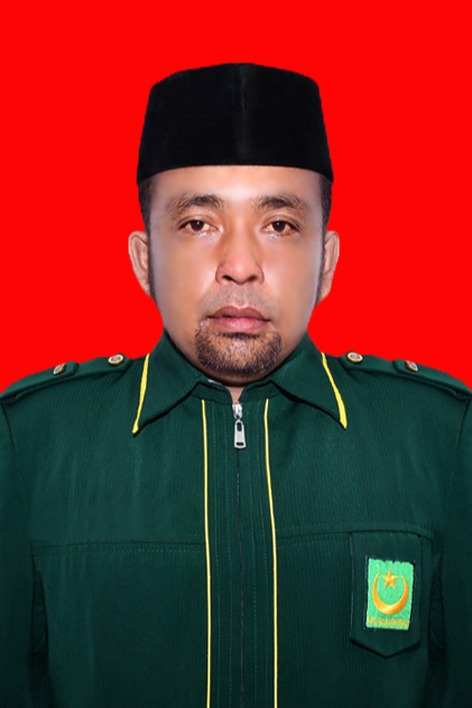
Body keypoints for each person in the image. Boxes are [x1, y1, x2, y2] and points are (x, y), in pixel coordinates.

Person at [1, 63, 470, 707]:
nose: (241, 266)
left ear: (327, 262)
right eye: (199, 223)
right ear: (144, 259)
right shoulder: (29, 446)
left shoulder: (440, 441)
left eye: (279, 225)